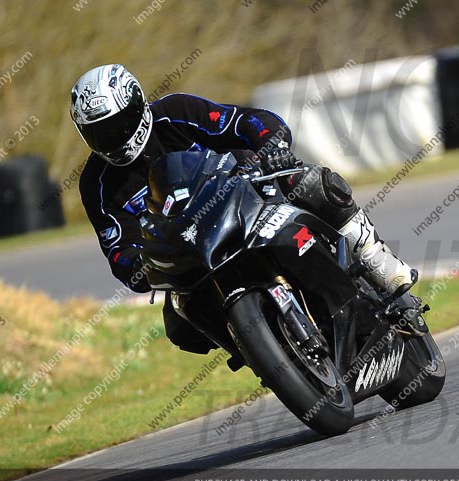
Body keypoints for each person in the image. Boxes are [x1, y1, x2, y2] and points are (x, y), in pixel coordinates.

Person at [71, 64, 416, 354]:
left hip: (247, 199)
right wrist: (139, 264)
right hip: (190, 253)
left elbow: (245, 121)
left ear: (137, 106)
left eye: (118, 125)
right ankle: (262, 348)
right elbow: (117, 248)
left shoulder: (175, 113)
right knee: (181, 326)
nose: (113, 139)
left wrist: (270, 143)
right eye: (99, 134)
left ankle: (377, 261)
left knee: (311, 183)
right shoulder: (96, 184)